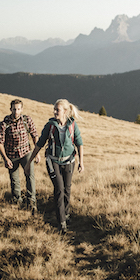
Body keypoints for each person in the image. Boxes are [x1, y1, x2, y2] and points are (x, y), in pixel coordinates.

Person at [25, 98, 84, 232]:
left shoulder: (72, 125)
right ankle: (61, 222)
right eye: (54, 109)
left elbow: (79, 143)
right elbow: (39, 144)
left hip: (69, 161)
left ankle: (66, 214)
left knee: (67, 189)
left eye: (57, 110)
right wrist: (29, 162)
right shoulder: (50, 125)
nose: (55, 112)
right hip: (53, 161)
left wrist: (81, 162)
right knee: (59, 189)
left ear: (65, 111)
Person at [0, 99, 40, 213]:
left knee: (30, 176)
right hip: (12, 155)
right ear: (10, 109)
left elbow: (34, 135)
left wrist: (37, 153)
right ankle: (17, 203)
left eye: (18, 109)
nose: (16, 111)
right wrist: (5, 159)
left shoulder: (27, 120)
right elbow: (0, 142)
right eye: (14, 109)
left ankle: (31, 202)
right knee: (14, 180)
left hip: (26, 153)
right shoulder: (4, 124)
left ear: (22, 109)